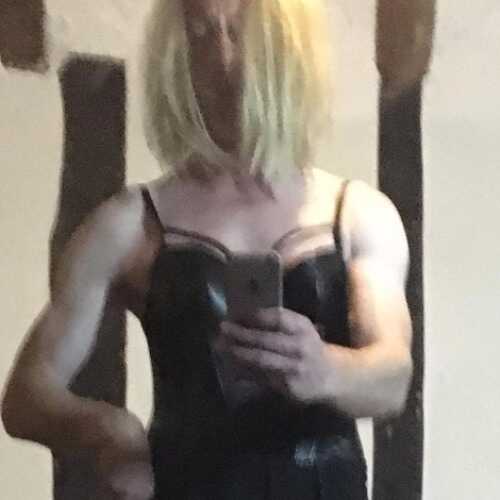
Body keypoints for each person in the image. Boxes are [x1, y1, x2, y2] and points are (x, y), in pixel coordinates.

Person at [2, 0, 413, 499]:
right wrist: (109, 433)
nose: (222, 57)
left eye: (240, 33)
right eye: (200, 34)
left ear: (287, 52)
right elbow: (27, 394)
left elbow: (393, 376)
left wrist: (325, 369)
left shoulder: (358, 214)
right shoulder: (130, 225)